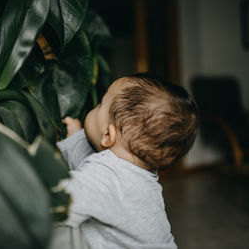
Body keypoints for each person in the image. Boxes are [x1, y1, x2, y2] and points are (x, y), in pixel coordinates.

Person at [56, 74, 198, 249]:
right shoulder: (137, 172)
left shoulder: (109, 176)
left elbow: (62, 198)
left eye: (100, 103)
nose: (95, 106)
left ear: (108, 135)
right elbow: (93, 170)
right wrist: (76, 137)